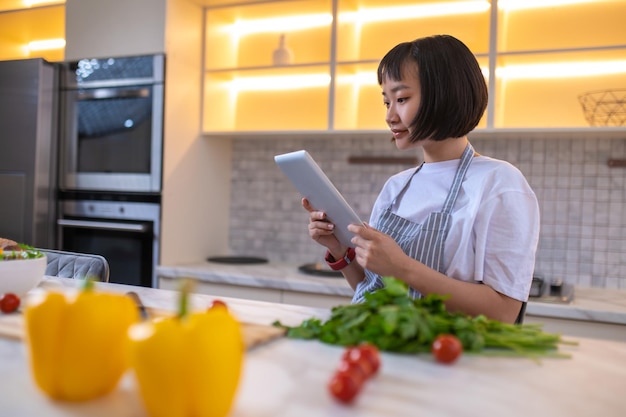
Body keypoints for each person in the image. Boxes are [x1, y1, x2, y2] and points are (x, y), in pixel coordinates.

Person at [303, 35, 539, 324]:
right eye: (386, 101)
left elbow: (503, 313)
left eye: (401, 99)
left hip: (452, 362)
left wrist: (403, 268)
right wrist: (339, 250)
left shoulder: (500, 184)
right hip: (392, 351)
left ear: (445, 94)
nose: (390, 115)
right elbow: (376, 291)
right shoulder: (397, 187)